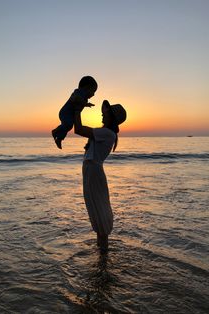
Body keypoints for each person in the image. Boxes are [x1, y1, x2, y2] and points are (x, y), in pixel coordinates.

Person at [74, 99, 127, 253]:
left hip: (94, 173)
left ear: (112, 117)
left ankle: (103, 256)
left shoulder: (107, 133)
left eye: (106, 113)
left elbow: (78, 129)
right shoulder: (106, 133)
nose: (102, 115)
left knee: (99, 210)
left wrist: (78, 109)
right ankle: (102, 253)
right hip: (92, 172)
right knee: (97, 209)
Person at [52, 76, 98, 149]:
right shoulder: (78, 92)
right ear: (86, 88)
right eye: (93, 91)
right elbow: (75, 98)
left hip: (70, 115)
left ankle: (58, 136)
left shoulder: (85, 99)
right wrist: (85, 104)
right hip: (65, 113)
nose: (93, 94)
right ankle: (56, 133)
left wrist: (85, 104)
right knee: (68, 125)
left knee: (69, 126)